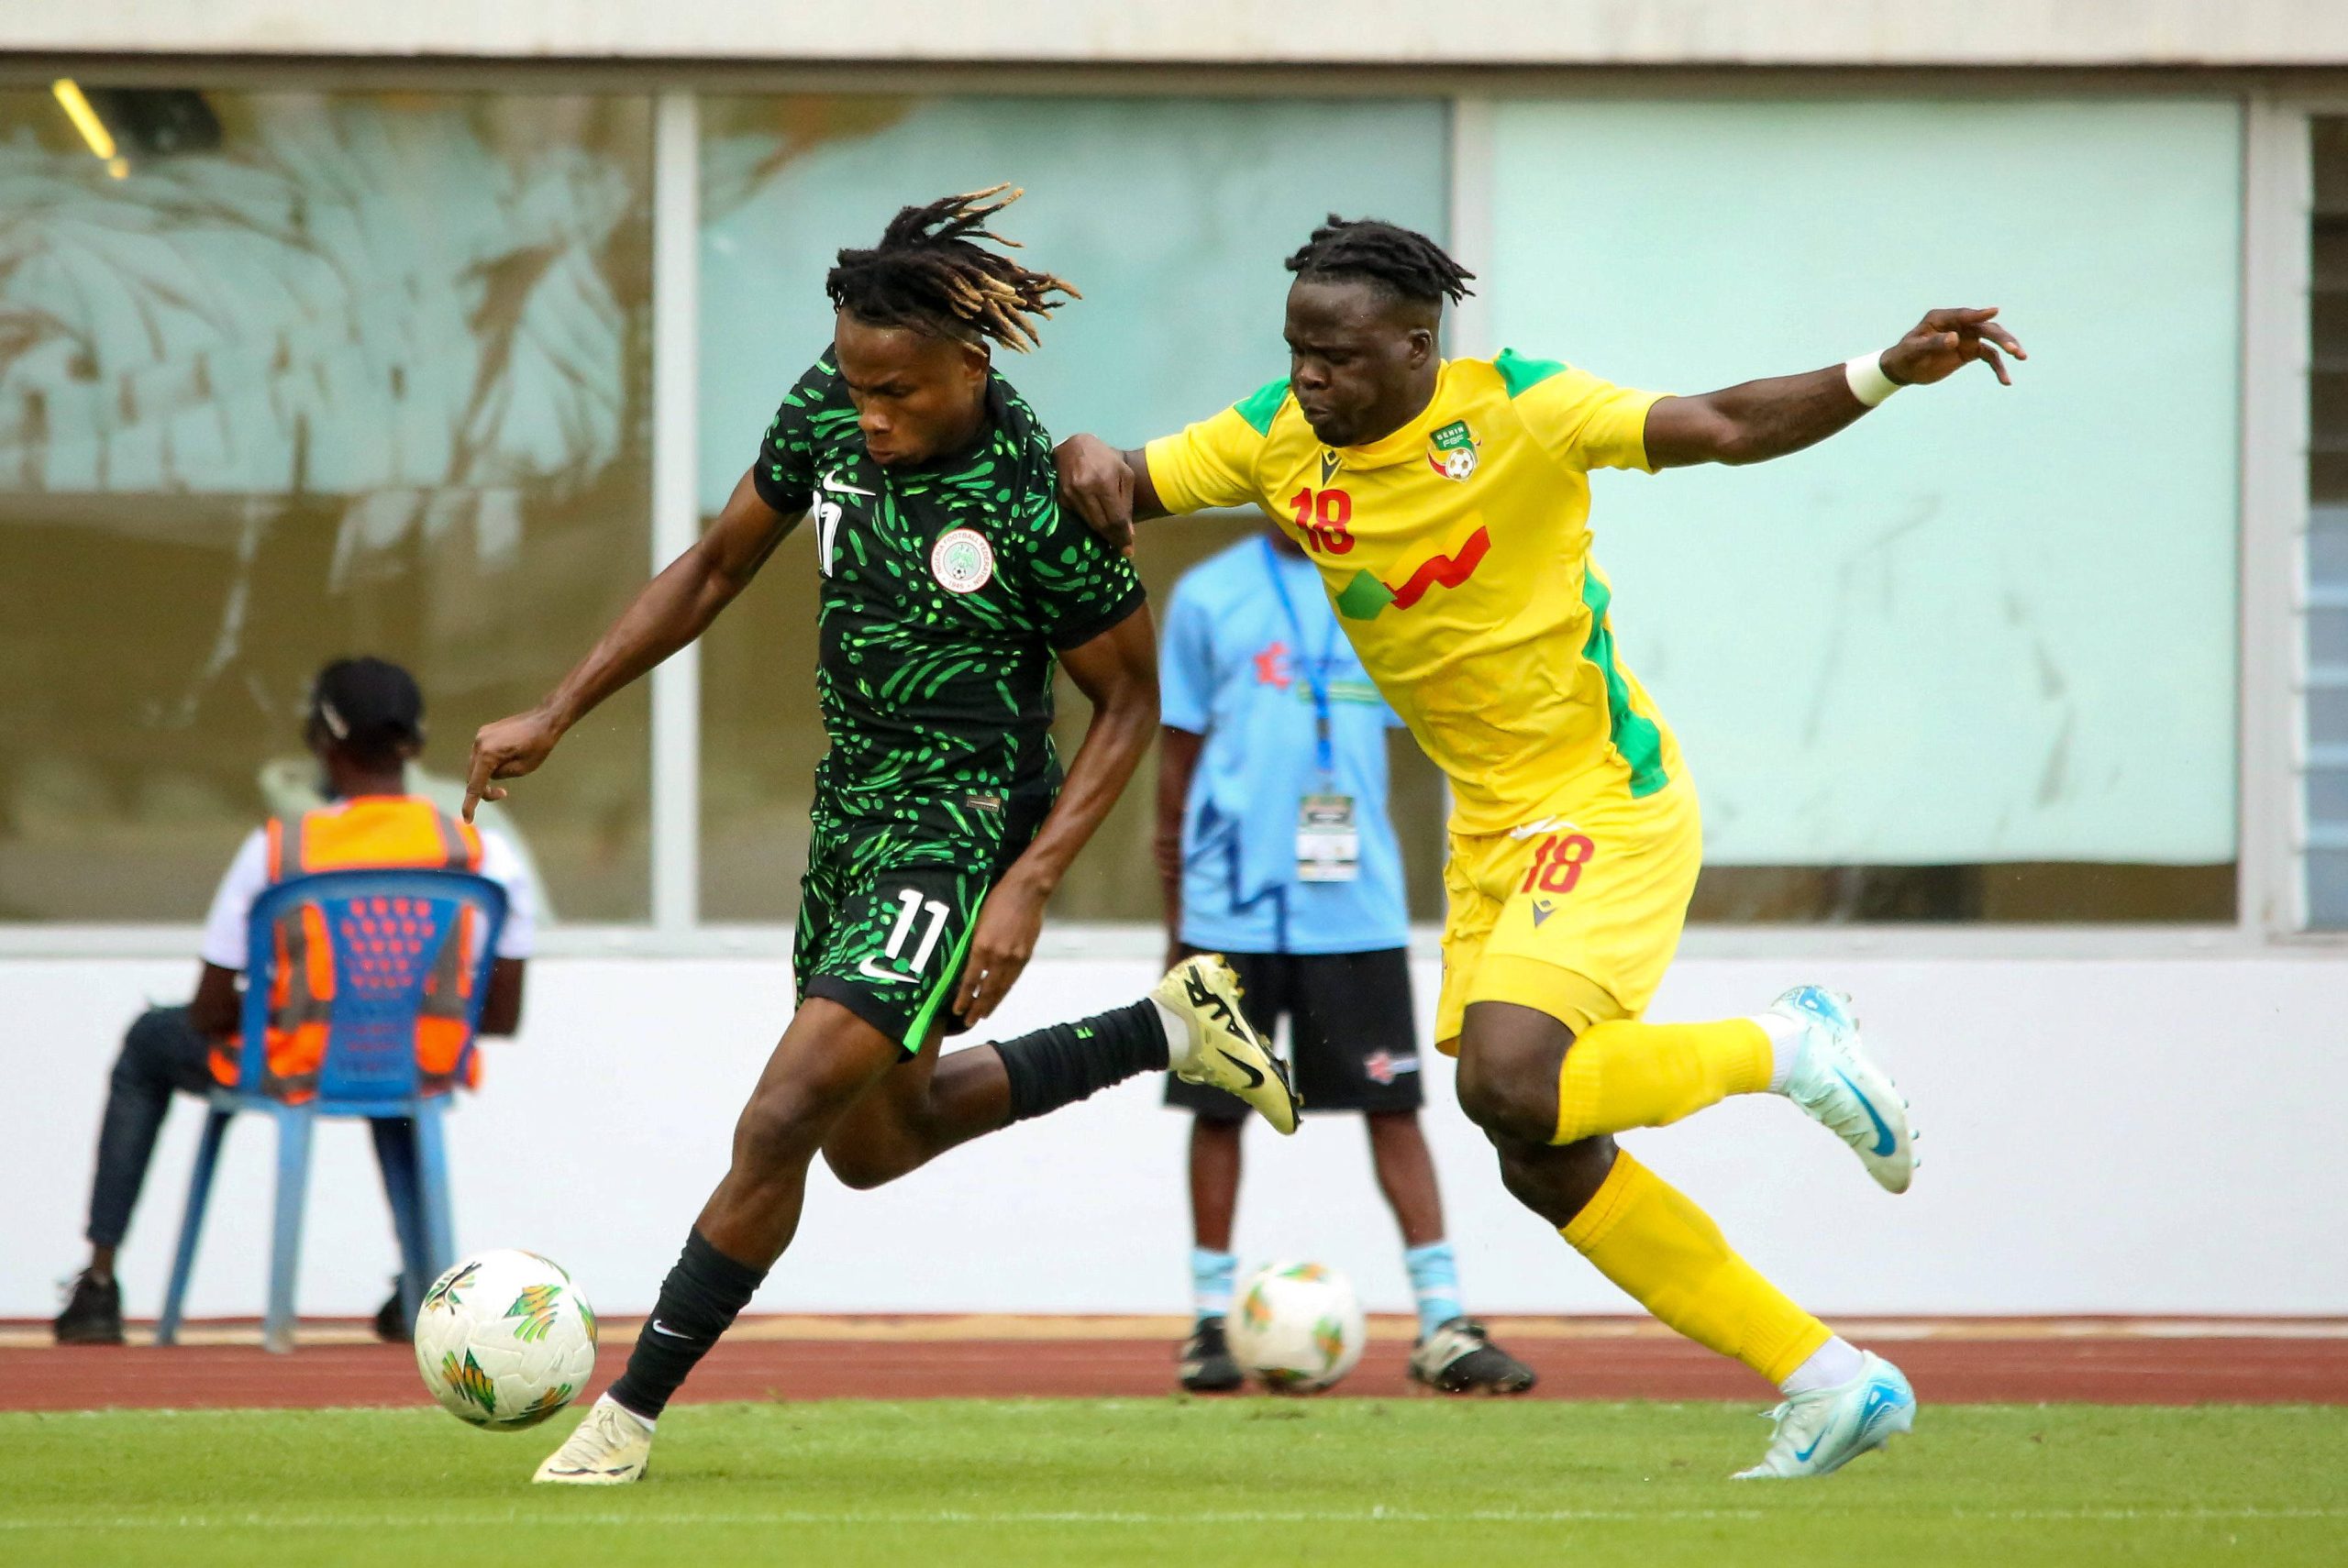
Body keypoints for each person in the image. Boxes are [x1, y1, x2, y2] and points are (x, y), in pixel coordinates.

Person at [1056, 215, 2026, 1479]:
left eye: (1338, 355)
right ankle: (1830, 1376)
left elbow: (1723, 424)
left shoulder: (1518, 408)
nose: (1309, 377)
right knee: (1542, 1152)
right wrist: (1080, 451)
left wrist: (1883, 370)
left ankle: (1788, 1044)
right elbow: (1119, 479)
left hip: (1602, 797)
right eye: (1297, 348)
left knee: (1508, 1081)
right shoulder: (1273, 437)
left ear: (1417, 345)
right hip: (1492, 826)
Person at [465, 189, 1297, 1486]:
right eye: (857, 383)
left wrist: (1026, 885)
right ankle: (1168, 1028)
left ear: (971, 363)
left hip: (961, 826)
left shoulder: (1039, 500)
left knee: (782, 1108)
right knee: (870, 1142)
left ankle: (624, 1417)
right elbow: (716, 565)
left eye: (897, 391)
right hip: (852, 814)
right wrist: (559, 709)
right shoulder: (832, 404)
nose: (870, 413)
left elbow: (1129, 701)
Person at [52, 657, 537, 1346]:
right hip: (419, 1064)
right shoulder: (484, 855)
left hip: (291, 1065)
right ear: (417, 745)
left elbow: (208, 1013)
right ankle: (423, 1285)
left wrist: (302, 1001)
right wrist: (390, 1007)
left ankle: (98, 1285)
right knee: (385, 1060)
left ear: (323, 741)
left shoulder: (278, 852)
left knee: (147, 1040)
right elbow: (500, 1017)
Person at [1157, 523, 1534, 1395]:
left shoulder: (1391, 591)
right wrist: (1178, 915)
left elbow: (1457, 735)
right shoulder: (1210, 597)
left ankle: (1443, 1324)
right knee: (1218, 1109)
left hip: (1353, 904)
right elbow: (1175, 759)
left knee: (1393, 1108)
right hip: (1233, 906)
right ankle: (1210, 1323)